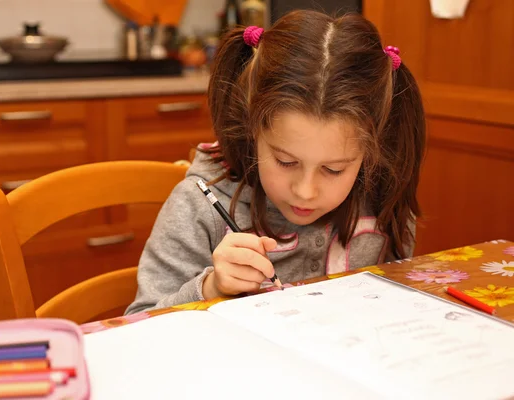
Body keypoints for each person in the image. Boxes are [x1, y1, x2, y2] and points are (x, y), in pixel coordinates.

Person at [125, 10, 425, 315]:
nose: (305, 191)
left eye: (333, 170)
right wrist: (211, 289)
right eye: (285, 162)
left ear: (370, 153)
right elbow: (137, 323)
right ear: (252, 131)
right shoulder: (199, 207)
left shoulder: (384, 196)